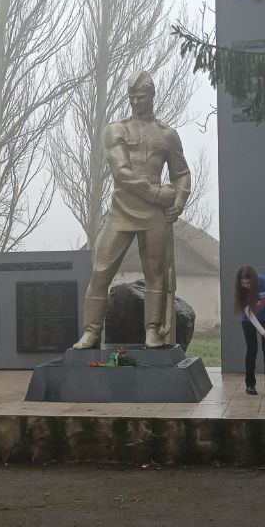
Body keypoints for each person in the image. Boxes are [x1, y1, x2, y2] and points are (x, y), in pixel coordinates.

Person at [72, 70, 191, 349]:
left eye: (142, 97)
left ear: (152, 96)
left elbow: (182, 174)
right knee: (101, 271)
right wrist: (159, 194)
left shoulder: (168, 135)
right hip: (122, 211)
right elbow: (121, 173)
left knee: (156, 274)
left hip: (156, 217)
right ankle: (91, 331)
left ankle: (152, 331)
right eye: (132, 97)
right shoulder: (116, 130)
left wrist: (178, 202)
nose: (136, 102)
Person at [235, 264, 265, 398]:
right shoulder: (243, 291)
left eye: (248, 282)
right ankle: (250, 385)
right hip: (248, 321)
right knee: (252, 350)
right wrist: (264, 334)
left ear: (255, 280)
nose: (245, 285)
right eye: (242, 283)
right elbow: (251, 315)